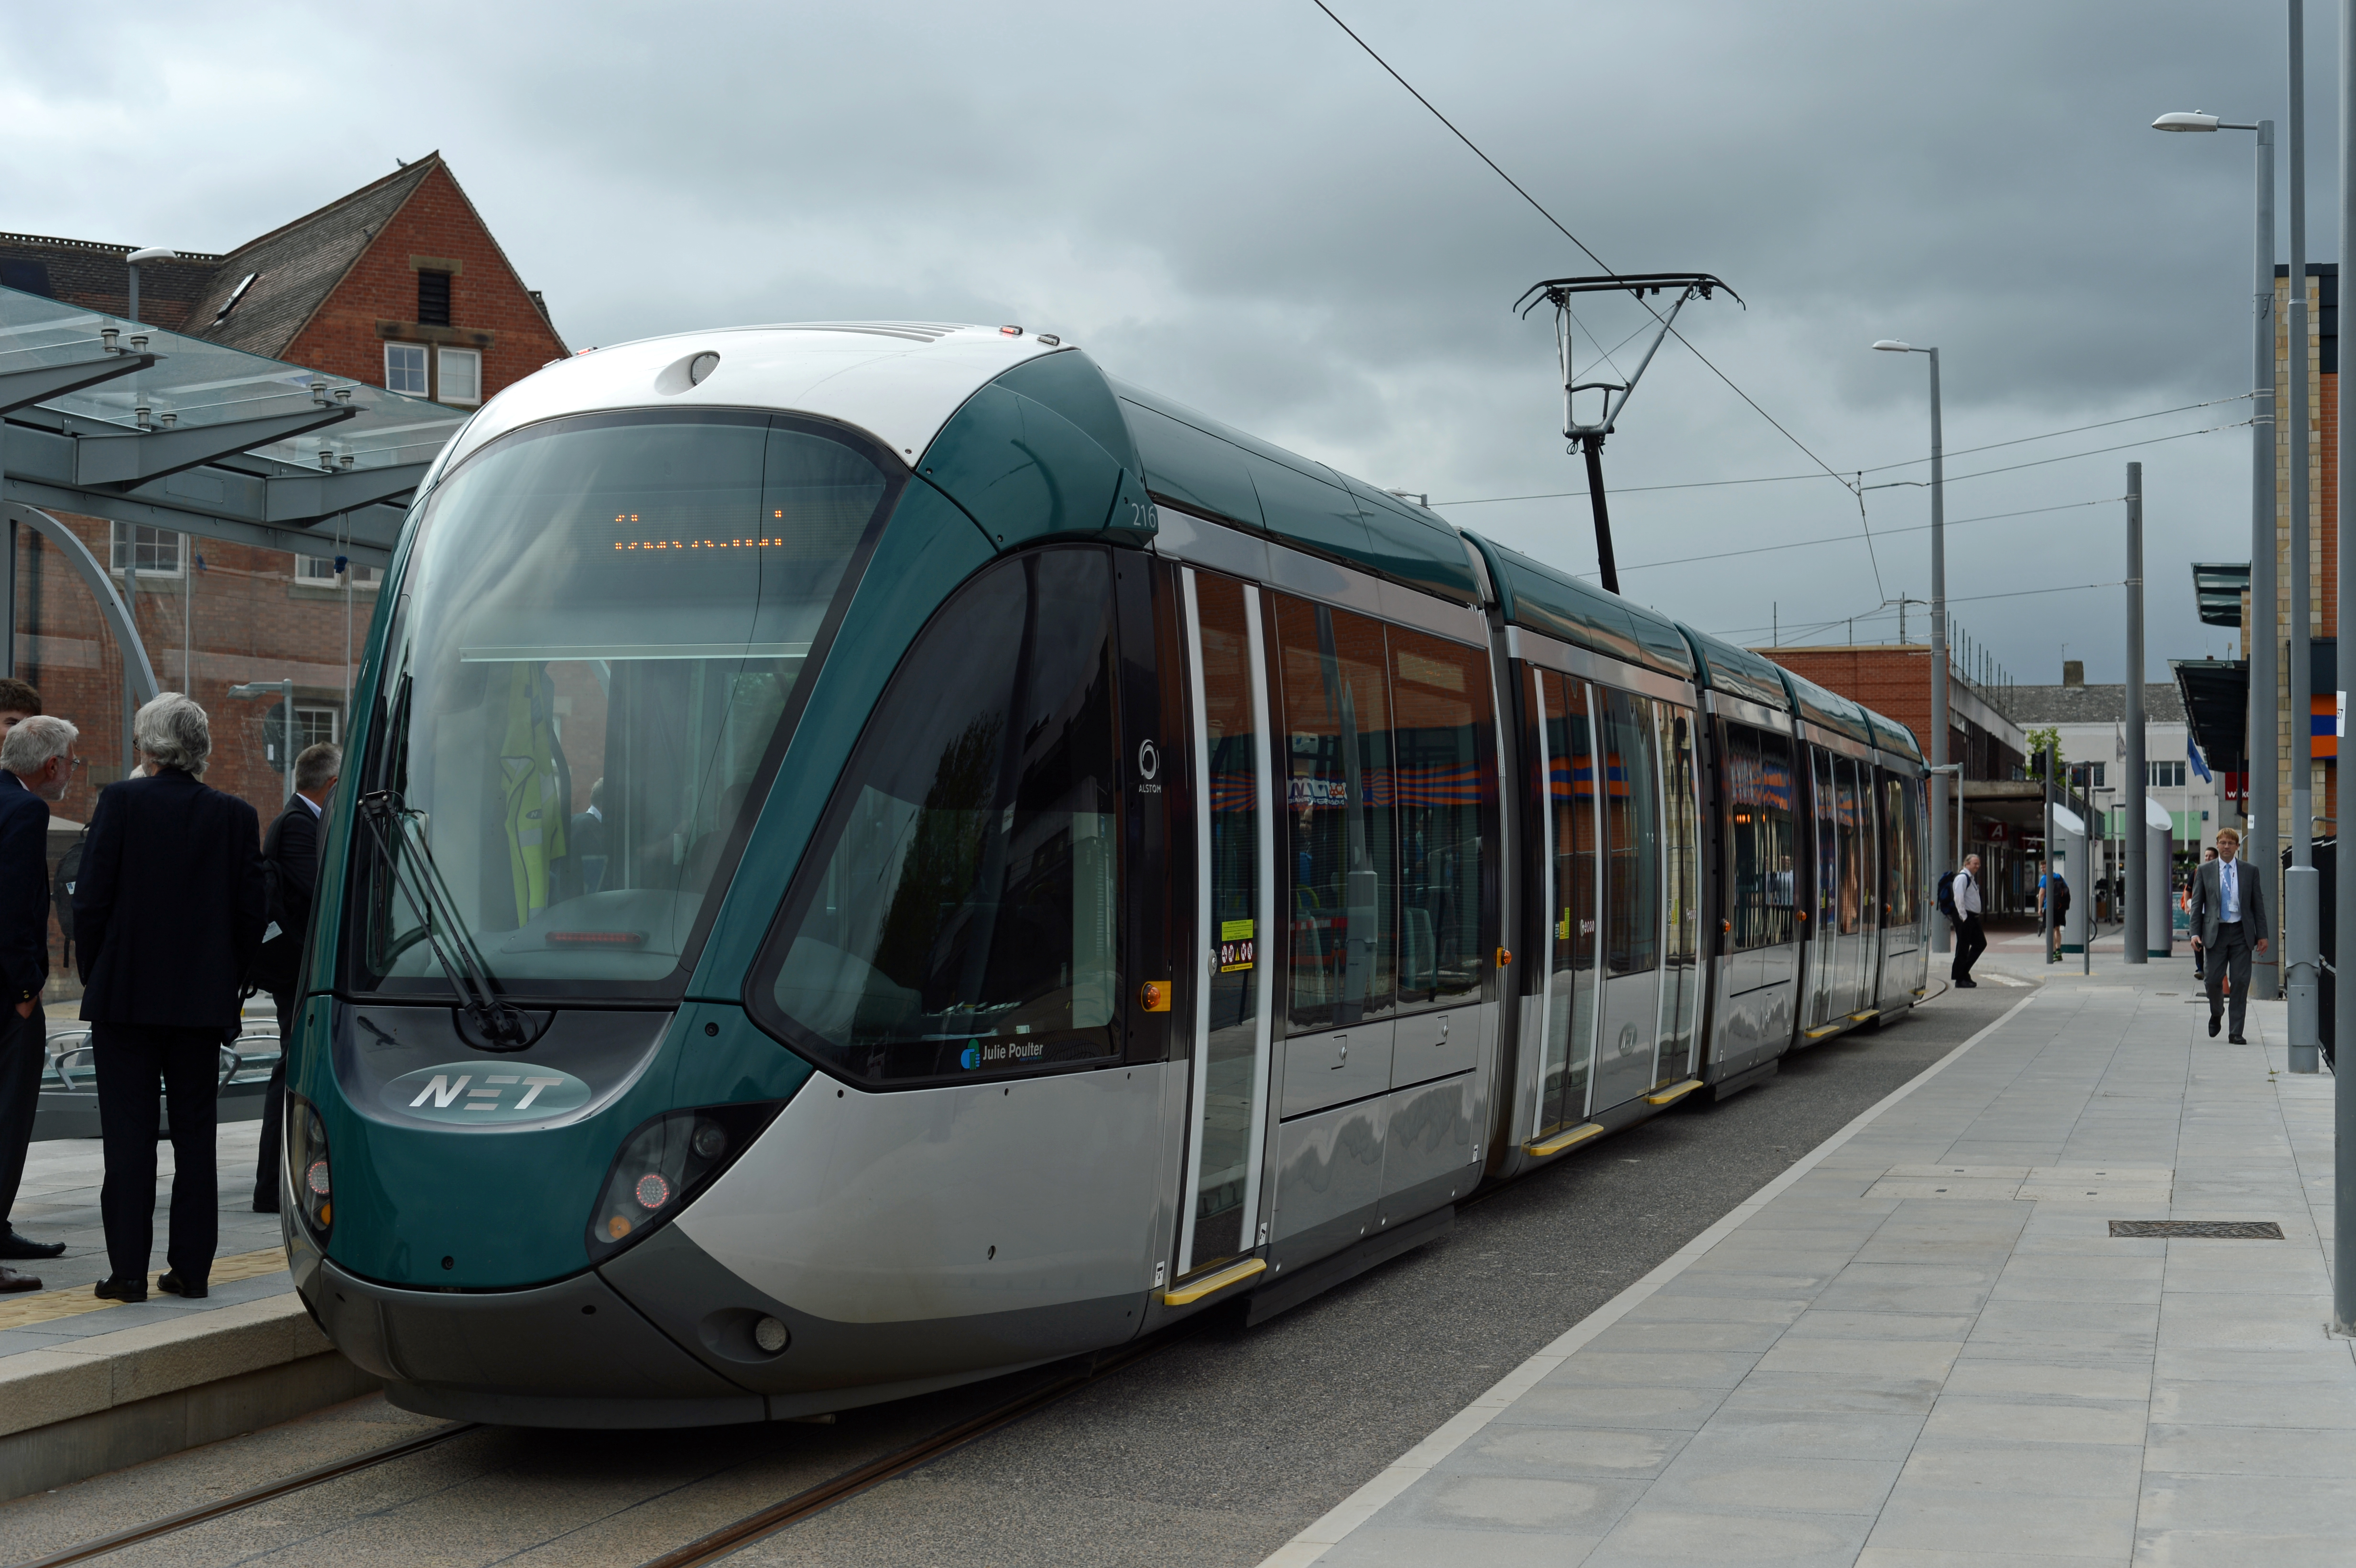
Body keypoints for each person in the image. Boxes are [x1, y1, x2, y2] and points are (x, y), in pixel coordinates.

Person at [74, 694, 267, 1302]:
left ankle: (128, 1271)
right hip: (199, 1004)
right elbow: (251, 912)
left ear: (147, 747)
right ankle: (193, 1270)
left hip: (126, 998)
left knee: (127, 1139)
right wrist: (226, 979)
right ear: (200, 747)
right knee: (195, 1136)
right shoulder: (235, 815)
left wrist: (97, 972)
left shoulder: (121, 802)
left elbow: (92, 900)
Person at [0, 713, 78, 1292]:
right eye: (71, 762)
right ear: (51, 765)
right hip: (8, 996)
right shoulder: (27, 810)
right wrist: (27, 989)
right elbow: (14, 905)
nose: (72, 772)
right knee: (7, 1119)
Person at [249, 742, 338, 1213]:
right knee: (289, 1071)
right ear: (334, 785)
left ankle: (276, 1183)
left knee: (291, 1069)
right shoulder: (299, 826)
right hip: (296, 971)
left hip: (299, 969)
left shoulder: (302, 822)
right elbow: (324, 886)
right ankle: (269, 1185)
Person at [2190, 827, 2270, 1045]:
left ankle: (2236, 1031)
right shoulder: (2205, 870)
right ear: (2217, 845)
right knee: (2213, 979)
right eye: (2223, 843)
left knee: (2241, 982)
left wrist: (2262, 935)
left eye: (2230, 843)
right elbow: (2197, 905)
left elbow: (2258, 906)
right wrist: (2195, 933)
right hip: (2215, 933)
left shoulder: (2249, 871)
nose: (2226, 847)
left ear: (2237, 847)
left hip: (2241, 933)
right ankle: (2217, 1012)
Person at [1947, 853, 1986, 988]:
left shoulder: (1971, 878)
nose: (1977, 866)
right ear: (1967, 864)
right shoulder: (1962, 878)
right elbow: (1959, 898)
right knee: (1963, 948)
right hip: (1965, 917)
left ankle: (1964, 972)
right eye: (1975, 864)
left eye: (1979, 864)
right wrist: (1963, 917)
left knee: (1980, 944)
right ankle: (1960, 978)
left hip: (1972, 917)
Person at [2041, 864, 2071, 963]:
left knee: (2051, 930)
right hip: (2060, 907)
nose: (2043, 869)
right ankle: (2059, 951)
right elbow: (2066, 890)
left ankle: (2053, 953)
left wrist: (2039, 908)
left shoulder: (2045, 878)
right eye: (2041, 868)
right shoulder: (2059, 877)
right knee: (2057, 929)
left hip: (2050, 907)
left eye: (2044, 867)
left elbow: (2042, 894)